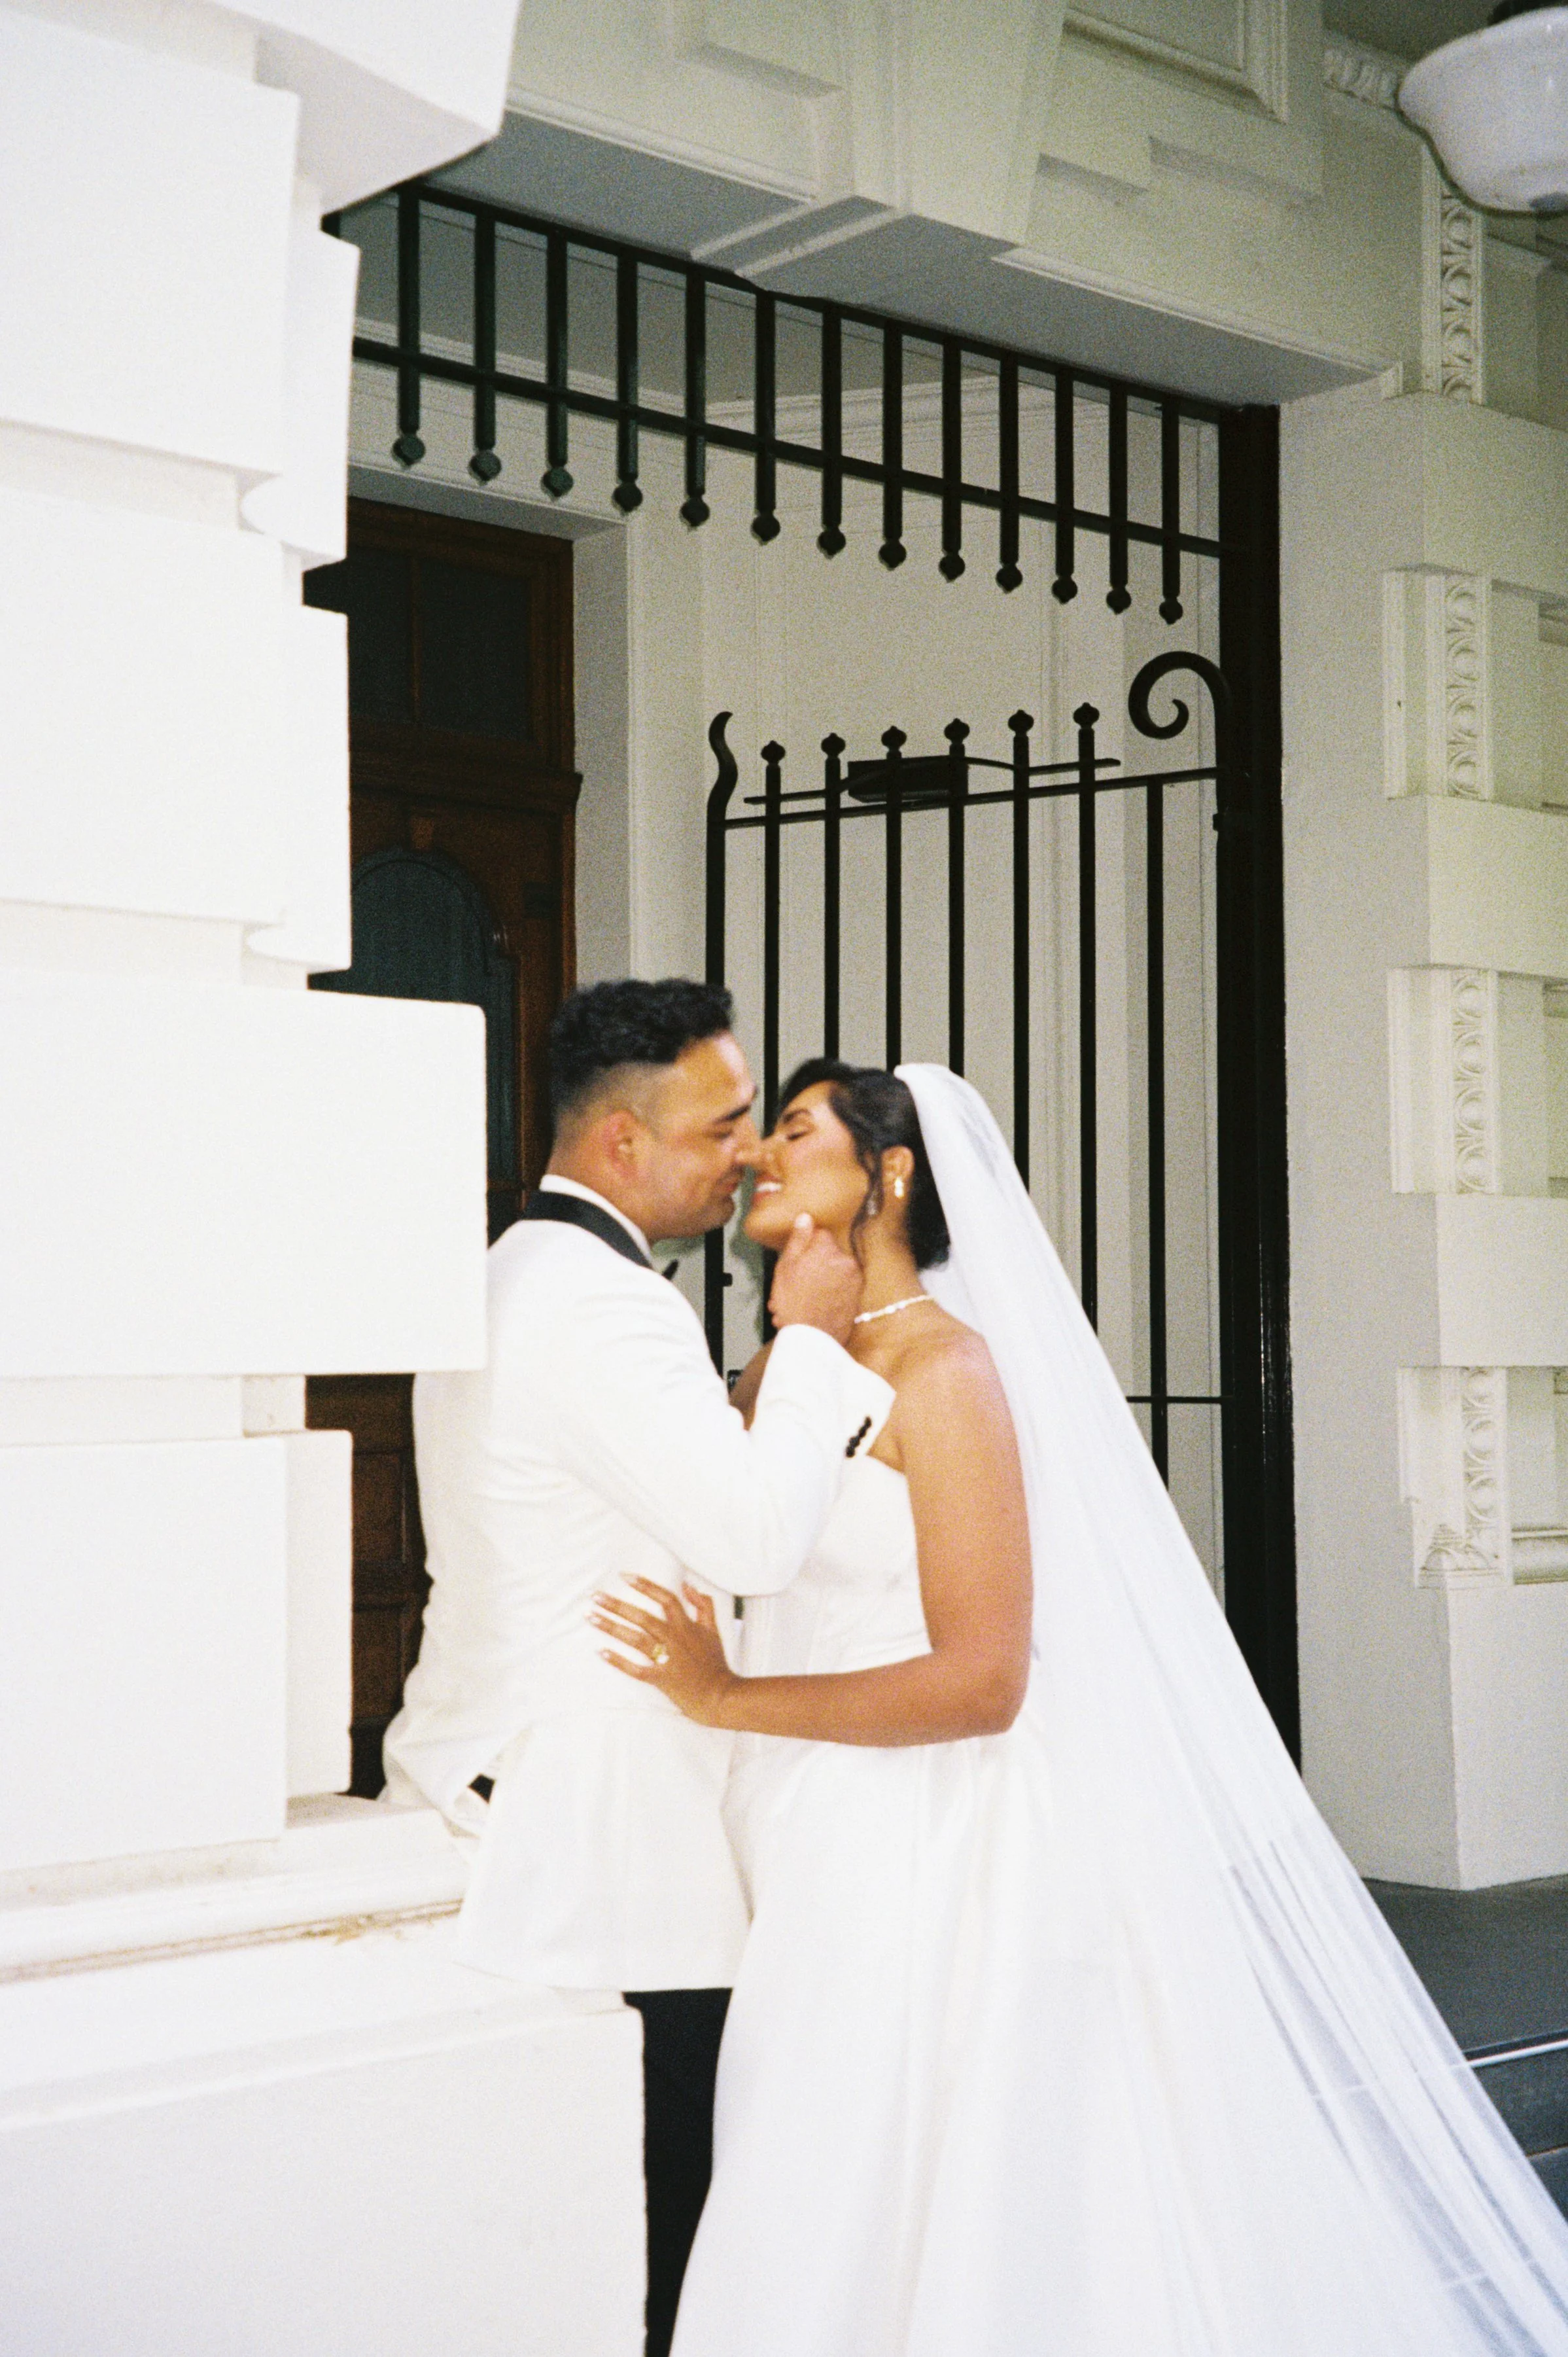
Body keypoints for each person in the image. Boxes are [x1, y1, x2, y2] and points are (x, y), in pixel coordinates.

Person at [597, 1059, 1568, 2356]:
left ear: (889, 1178)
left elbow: (986, 1681)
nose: (762, 1159)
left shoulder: (947, 1375)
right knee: (816, 2147)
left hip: (940, 1843)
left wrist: (725, 1695)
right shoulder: (792, 1366)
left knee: (897, 2161)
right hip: (808, 1825)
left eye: (794, 1130)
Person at [382, 984, 890, 2357]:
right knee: (666, 2221)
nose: (747, 1153)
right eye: (724, 1123)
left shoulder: (507, 1269)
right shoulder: (604, 1306)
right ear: (620, 1144)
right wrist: (815, 1343)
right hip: (604, 1832)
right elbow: (753, 1537)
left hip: (520, 1776)